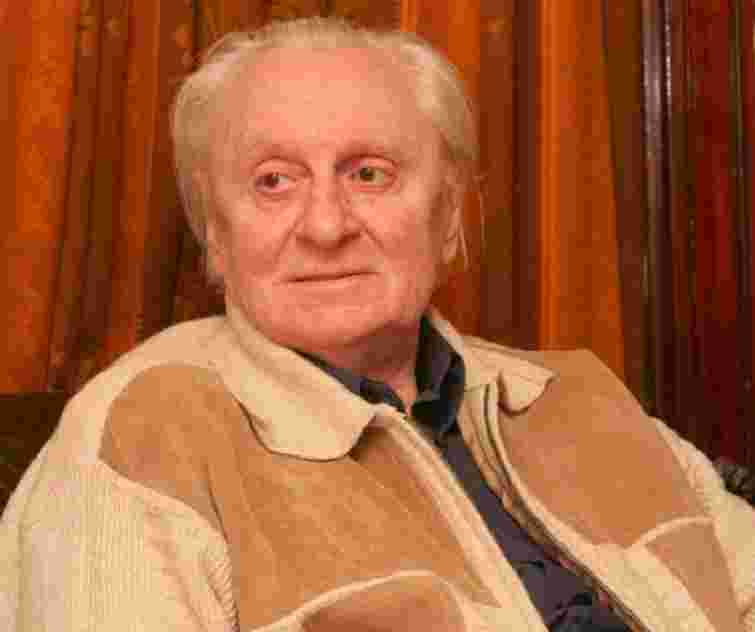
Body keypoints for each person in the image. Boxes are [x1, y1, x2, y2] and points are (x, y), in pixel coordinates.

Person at [1, 17, 753, 632]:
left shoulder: (580, 397)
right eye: (274, 182)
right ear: (215, 235)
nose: (326, 225)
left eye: (369, 173)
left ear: (448, 216)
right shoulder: (138, 441)